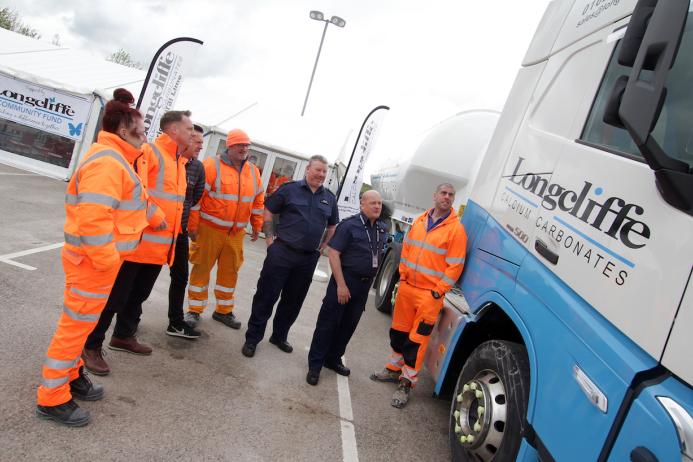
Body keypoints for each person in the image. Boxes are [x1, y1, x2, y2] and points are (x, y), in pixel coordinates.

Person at [36, 88, 165, 426]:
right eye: (142, 128)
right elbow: (94, 220)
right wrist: (108, 262)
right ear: (124, 129)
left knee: (83, 326)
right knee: (73, 328)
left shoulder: (119, 159)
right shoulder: (108, 163)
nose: (146, 136)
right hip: (94, 265)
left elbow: (132, 197)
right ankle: (52, 397)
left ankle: (73, 373)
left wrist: (154, 216)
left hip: (99, 265)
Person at [81, 110, 192, 375]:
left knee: (138, 296)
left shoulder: (179, 162)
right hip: (137, 245)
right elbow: (134, 189)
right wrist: (154, 217)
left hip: (158, 249)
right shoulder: (150, 153)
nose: (192, 133)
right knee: (114, 299)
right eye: (188, 128)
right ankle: (91, 346)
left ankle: (123, 335)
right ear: (174, 130)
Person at [370, 183, 467, 409]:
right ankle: (393, 369)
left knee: (417, 340)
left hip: (429, 295)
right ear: (434, 196)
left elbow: (455, 266)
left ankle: (406, 382)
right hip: (407, 288)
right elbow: (407, 250)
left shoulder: (456, 230)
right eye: (443, 193)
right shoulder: (421, 220)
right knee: (398, 332)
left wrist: (438, 290)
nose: (447, 197)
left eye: (451, 195)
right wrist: (402, 276)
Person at [242, 155, 338, 358]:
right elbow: (268, 210)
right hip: (282, 252)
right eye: (317, 170)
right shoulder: (289, 189)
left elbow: (332, 225)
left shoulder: (329, 198)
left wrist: (324, 246)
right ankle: (252, 338)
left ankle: (279, 336)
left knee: (293, 301)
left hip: (307, 259)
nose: (321, 174)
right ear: (308, 169)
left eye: (324, 172)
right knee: (266, 296)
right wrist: (269, 240)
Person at [184, 129, 264, 330]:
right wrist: (192, 226)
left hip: (236, 233)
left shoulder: (253, 171)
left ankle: (223, 310)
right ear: (229, 146)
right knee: (201, 268)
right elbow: (196, 199)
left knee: (230, 272)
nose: (244, 149)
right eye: (239, 145)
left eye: (246, 145)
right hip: (209, 230)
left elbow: (257, 201)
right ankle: (194, 310)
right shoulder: (211, 165)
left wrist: (257, 224)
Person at [306, 190, 387, 386]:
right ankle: (315, 366)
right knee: (328, 324)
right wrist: (341, 285)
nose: (377, 206)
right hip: (345, 282)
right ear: (362, 205)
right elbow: (334, 254)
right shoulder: (349, 225)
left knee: (348, 326)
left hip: (363, 286)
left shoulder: (382, 229)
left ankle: (333, 359)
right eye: (373, 203)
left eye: (379, 203)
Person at [166, 124, 205, 338]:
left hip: (179, 231)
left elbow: (195, 198)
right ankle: (125, 326)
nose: (200, 145)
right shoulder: (168, 161)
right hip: (158, 231)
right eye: (197, 141)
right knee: (141, 278)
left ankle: (175, 322)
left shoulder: (198, 168)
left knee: (180, 277)